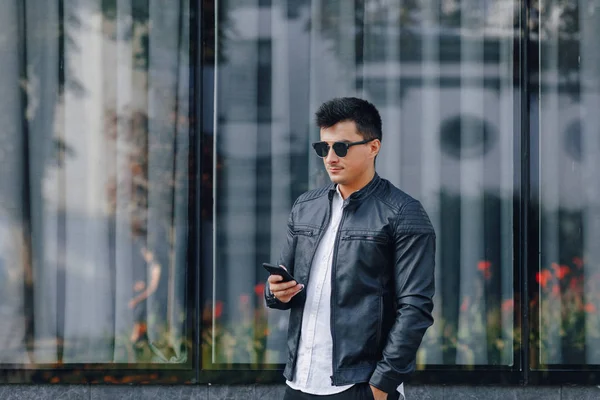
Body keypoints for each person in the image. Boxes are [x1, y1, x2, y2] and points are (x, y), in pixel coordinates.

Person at [265, 97, 435, 400]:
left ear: (373, 147)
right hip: (299, 380)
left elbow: (415, 308)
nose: (330, 157)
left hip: (359, 385)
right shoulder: (305, 207)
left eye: (341, 147)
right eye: (323, 148)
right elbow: (285, 286)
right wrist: (275, 291)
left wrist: (382, 384)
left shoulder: (402, 213)